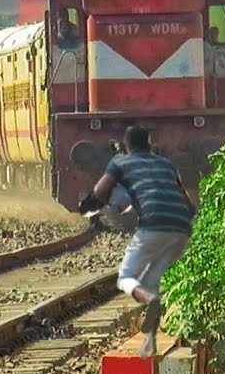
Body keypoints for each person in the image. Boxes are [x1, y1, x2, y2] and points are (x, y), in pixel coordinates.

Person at [79, 126, 197, 358]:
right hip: (181, 230)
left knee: (126, 279)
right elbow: (187, 203)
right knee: (159, 271)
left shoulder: (120, 162)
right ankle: (158, 321)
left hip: (153, 228)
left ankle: (153, 303)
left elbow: (101, 191)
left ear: (127, 146)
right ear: (150, 144)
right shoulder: (167, 164)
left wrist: (87, 206)